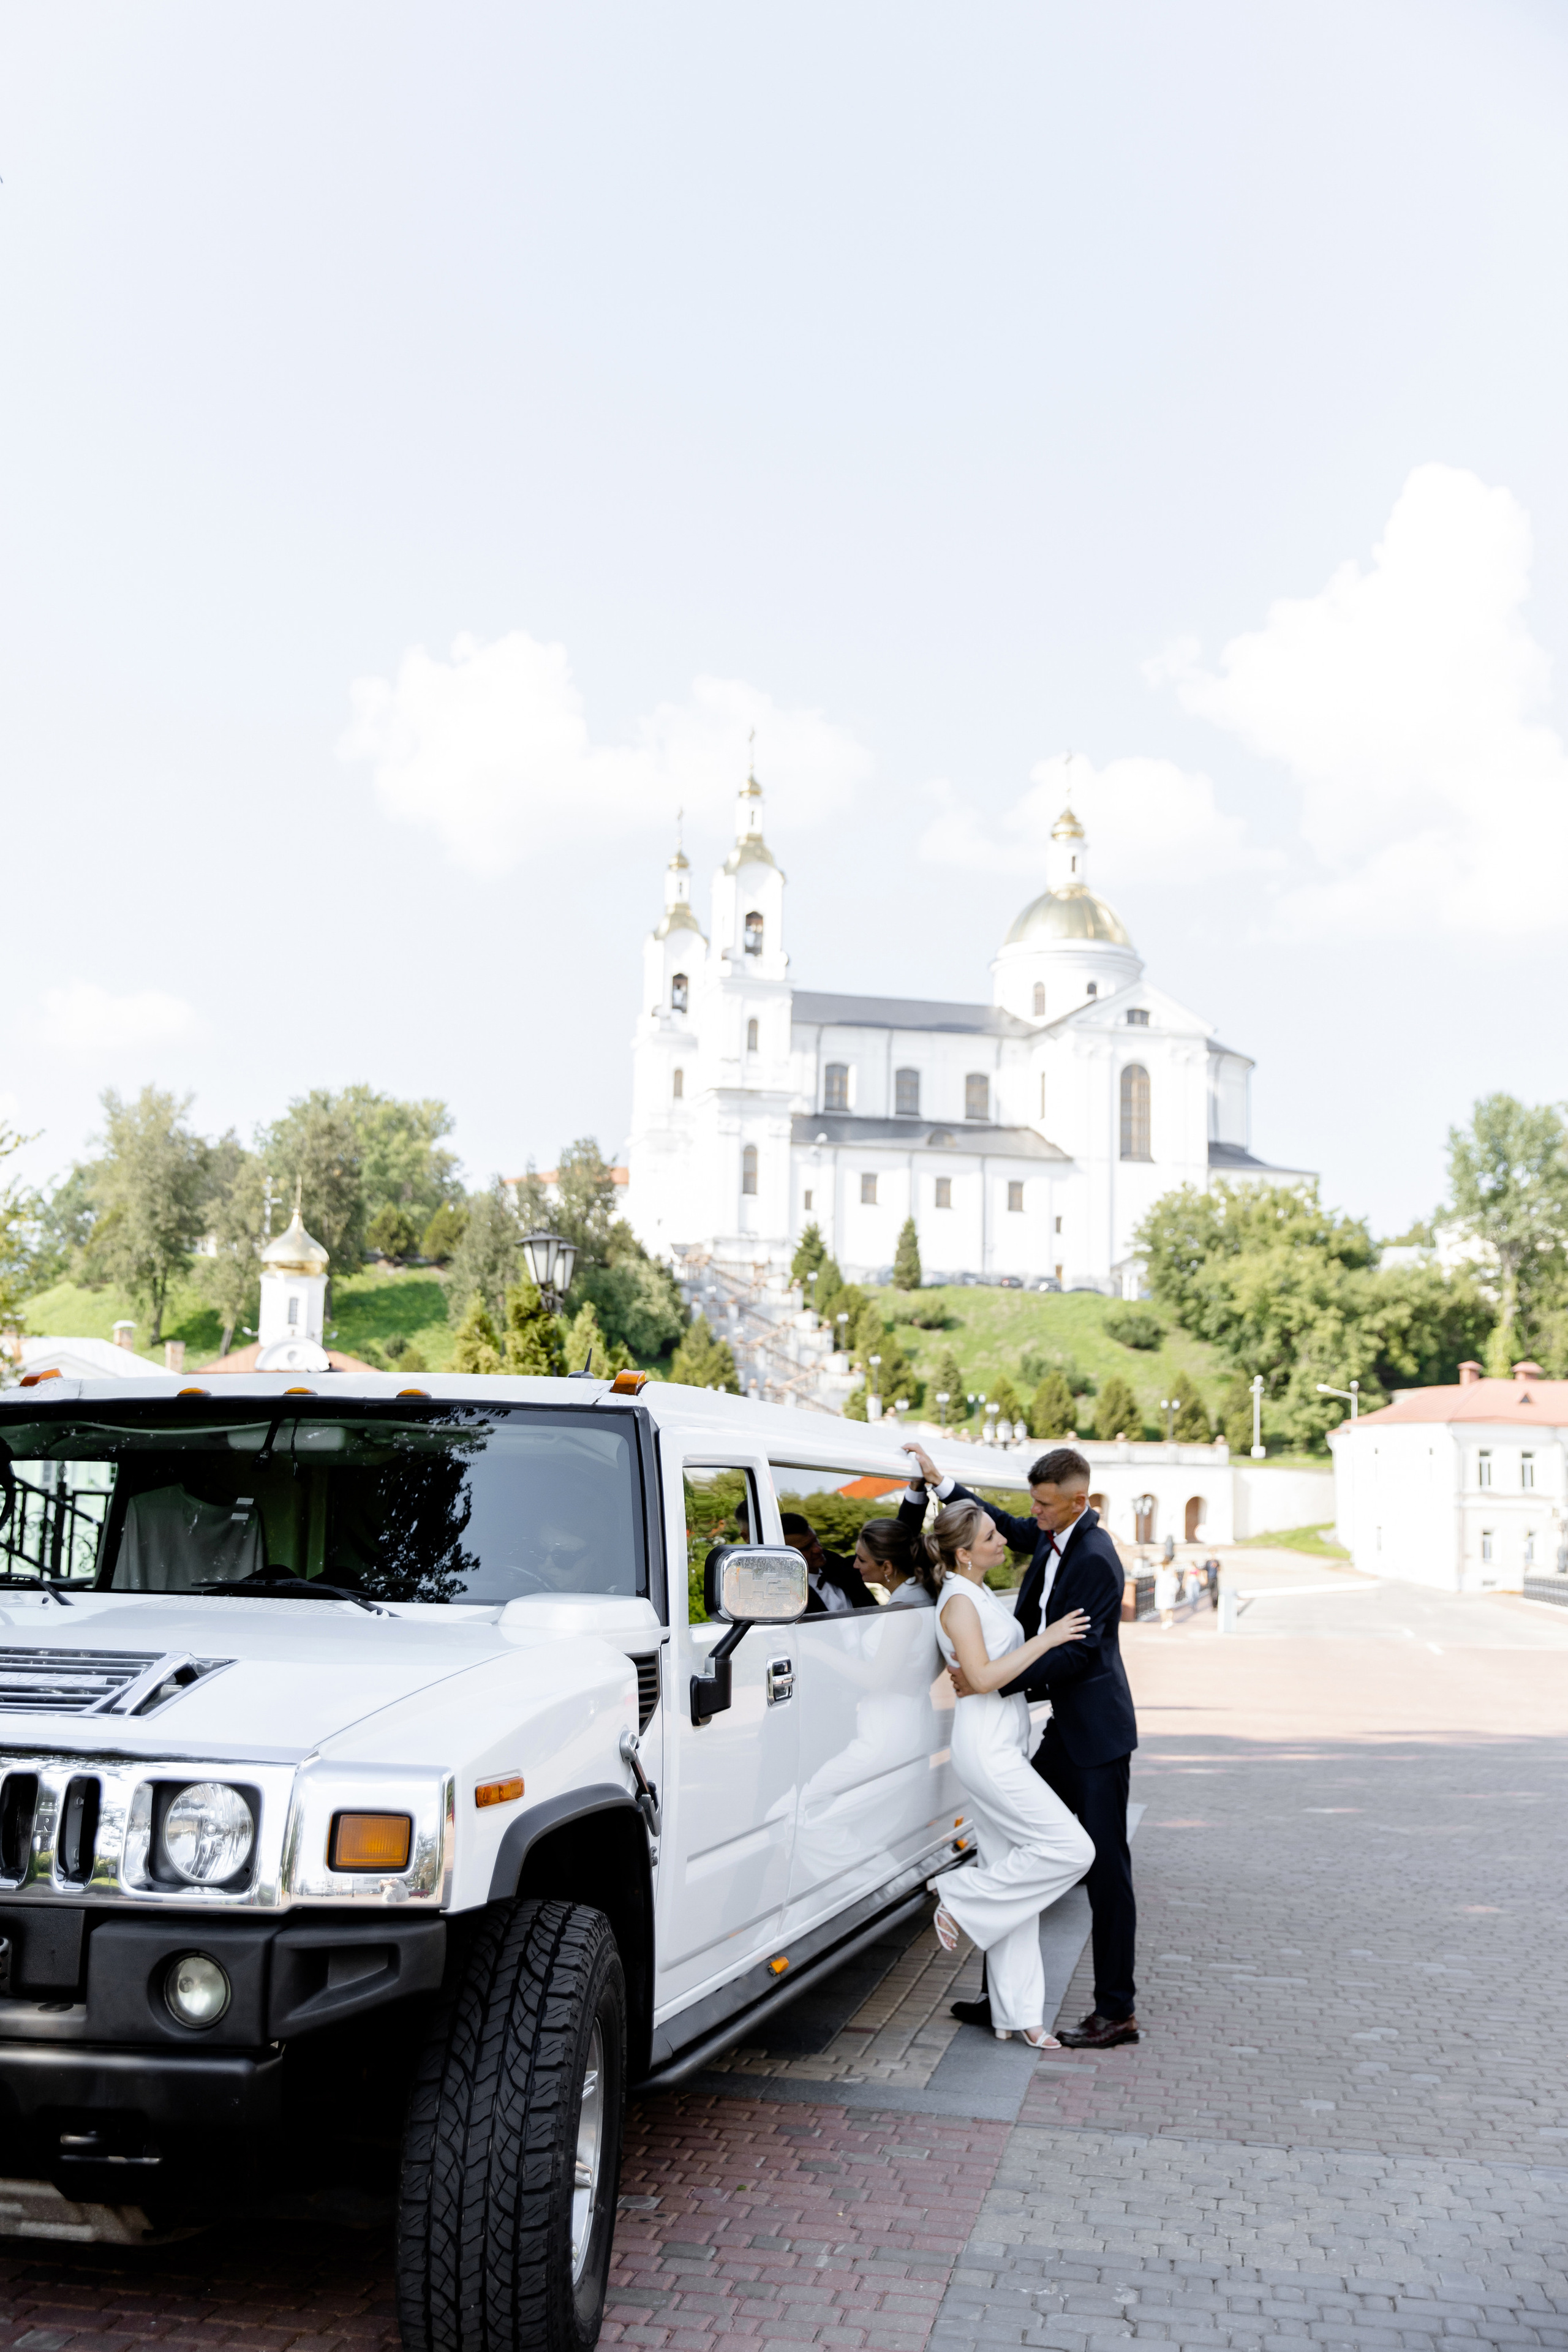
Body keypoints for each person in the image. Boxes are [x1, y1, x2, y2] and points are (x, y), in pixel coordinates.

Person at [902, 1439, 1141, 2051]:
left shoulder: (1094, 1557)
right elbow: (999, 1528)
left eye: (1041, 1506)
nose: (1027, 1518)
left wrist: (991, 1681)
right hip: (1047, 1729)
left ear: (1076, 1503)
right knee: (1010, 1851)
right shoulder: (1050, 1531)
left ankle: (1116, 2011)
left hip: (1094, 1733)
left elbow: (1078, 1653)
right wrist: (943, 1482)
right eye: (1031, 1504)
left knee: (1101, 1866)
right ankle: (1005, 2004)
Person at [926, 1497, 1095, 2046]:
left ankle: (1018, 2017)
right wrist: (1047, 1639)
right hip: (988, 1750)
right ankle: (961, 1896)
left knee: (1017, 1879)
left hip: (1003, 1744)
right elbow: (982, 1675)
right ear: (964, 1553)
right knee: (1073, 1850)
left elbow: (983, 1675)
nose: (1004, 1541)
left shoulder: (973, 1593)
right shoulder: (959, 1602)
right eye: (992, 1536)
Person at [780, 1513, 876, 1613]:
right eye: (806, 1548)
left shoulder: (835, 1562)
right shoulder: (785, 1595)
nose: (818, 1549)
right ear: (787, 1555)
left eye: (816, 1540)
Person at [851, 1517, 940, 1607]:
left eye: (862, 1560)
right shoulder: (917, 1590)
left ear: (887, 1568)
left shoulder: (901, 1606)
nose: (855, 1565)